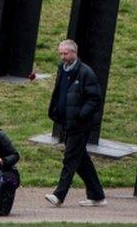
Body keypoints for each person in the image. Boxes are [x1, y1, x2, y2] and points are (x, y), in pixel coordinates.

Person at [45, 39, 107, 207]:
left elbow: (95, 98)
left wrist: (82, 114)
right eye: (60, 53)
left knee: (71, 159)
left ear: (74, 53)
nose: (62, 57)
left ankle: (59, 195)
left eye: (65, 53)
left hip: (80, 125)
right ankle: (97, 195)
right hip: (66, 122)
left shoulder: (86, 72)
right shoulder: (62, 70)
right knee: (81, 160)